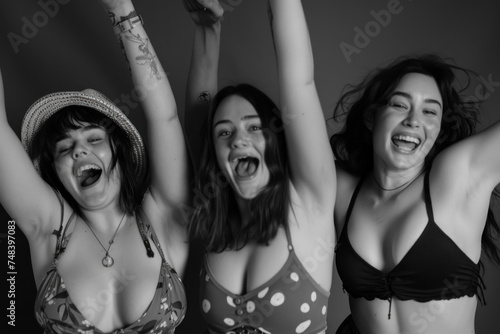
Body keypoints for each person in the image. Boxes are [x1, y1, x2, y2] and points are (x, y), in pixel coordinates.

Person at [0, 0, 190, 333]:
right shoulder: (49, 226)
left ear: (119, 148)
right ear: (54, 170)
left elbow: (165, 117)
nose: (78, 151)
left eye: (94, 139)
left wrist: (121, 9)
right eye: (64, 147)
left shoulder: (161, 219)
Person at [182, 0, 336, 333]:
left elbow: (300, 82)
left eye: (254, 127)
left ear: (275, 139)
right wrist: (207, 29)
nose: (238, 140)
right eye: (225, 131)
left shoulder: (307, 203)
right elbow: (198, 117)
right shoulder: (217, 220)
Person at [332, 54, 500, 333]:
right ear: (372, 116)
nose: (414, 120)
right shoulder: (343, 188)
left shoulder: (457, 175)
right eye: (400, 105)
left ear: (439, 128)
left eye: (430, 111)